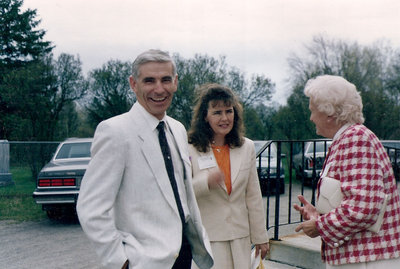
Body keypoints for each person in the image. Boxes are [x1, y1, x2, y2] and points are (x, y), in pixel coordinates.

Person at [77, 49, 213, 269]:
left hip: (184, 255)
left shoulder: (177, 129)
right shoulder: (115, 131)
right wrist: (119, 260)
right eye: (149, 80)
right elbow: (91, 208)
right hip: (144, 262)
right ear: (133, 84)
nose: (159, 89)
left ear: (175, 82)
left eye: (166, 80)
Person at [293, 75, 400, 268]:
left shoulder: (356, 138)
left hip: (366, 260)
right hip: (360, 257)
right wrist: (319, 214)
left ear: (329, 113)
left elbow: (363, 206)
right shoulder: (347, 139)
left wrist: (320, 226)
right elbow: (356, 200)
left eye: (313, 111)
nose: (310, 118)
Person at [187, 83, 269, 268]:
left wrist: (261, 237)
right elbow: (183, 192)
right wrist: (206, 182)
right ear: (205, 117)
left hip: (241, 238)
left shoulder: (246, 146)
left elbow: (253, 195)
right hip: (209, 240)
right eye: (217, 112)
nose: (225, 118)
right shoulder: (189, 147)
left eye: (229, 111)